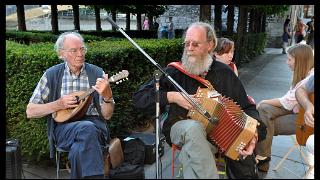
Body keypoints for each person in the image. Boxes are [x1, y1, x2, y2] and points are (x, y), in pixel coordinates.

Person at [133, 22, 267, 179]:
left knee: (193, 155)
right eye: (187, 44)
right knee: (194, 129)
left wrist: (253, 134)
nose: (189, 48)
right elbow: (139, 99)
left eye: (195, 44)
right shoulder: (174, 72)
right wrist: (173, 97)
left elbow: (247, 107)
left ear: (210, 45)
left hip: (215, 137)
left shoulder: (224, 73)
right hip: (179, 128)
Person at [26, 32, 115, 179]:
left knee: (79, 146)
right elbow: (30, 111)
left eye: (82, 49)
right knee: (86, 129)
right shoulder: (52, 74)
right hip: (63, 129)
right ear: (61, 53)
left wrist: (107, 96)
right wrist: (58, 104)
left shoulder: (97, 73)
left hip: (95, 128)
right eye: (74, 50)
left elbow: (107, 115)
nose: (80, 54)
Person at [255, 44, 314, 172]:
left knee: (262, 123)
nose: (287, 62)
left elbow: (286, 102)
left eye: (289, 59)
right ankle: (262, 158)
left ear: (300, 61)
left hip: (303, 120)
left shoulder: (309, 78)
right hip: (295, 111)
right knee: (263, 112)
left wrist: (263, 101)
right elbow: (289, 101)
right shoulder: (306, 74)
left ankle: (262, 158)